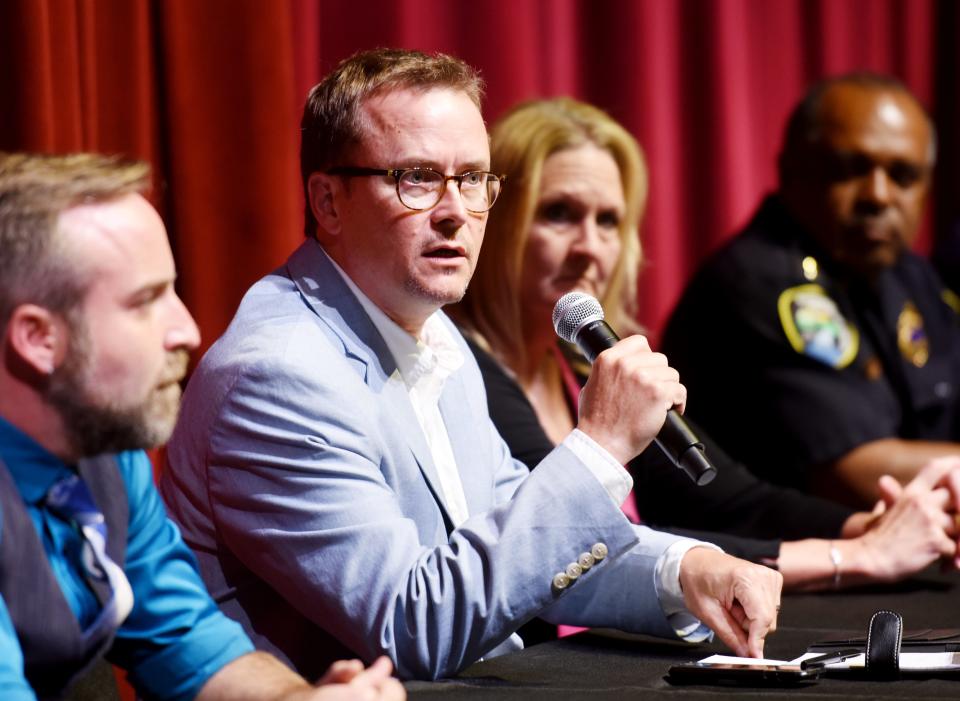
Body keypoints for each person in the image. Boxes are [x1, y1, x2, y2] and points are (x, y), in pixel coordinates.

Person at [159, 48, 783, 682]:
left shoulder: (437, 337)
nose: (456, 210)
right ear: (327, 202)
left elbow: (515, 542)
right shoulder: (279, 378)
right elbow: (412, 627)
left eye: (474, 179)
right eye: (418, 177)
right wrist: (599, 447)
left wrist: (686, 571)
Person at [450, 96, 960, 593]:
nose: (589, 247)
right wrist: (851, 557)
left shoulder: (585, 374)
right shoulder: (459, 368)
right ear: (490, 218)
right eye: (559, 213)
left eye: (608, 221)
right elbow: (591, 546)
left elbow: (727, 497)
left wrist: (870, 526)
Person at [0, 152, 405, 701]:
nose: (188, 330)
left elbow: (188, 644)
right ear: (38, 339)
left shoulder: (103, 455)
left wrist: (297, 700)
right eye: (145, 302)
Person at [662, 73, 960, 507]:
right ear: (790, 171)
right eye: (849, 169)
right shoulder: (761, 282)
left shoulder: (910, 275)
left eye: (903, 175)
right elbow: (859, 478)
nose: (878, 195)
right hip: (789, 561)